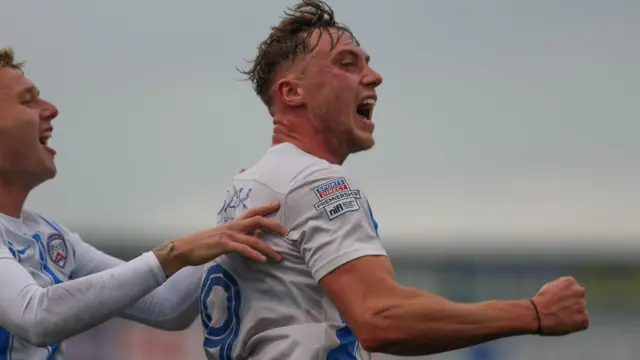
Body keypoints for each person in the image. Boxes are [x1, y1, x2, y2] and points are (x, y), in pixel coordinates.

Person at [201, 1, 590, 359]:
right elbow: (380, 317)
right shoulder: (316, 181)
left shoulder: (247, 188)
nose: (375, 76)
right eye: (348, 63)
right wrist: (534, 314)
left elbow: (164, 307)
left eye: (366, 63)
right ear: (292, 92)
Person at [0, 47, 288, 360]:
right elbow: (37, 317)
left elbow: (167, 306)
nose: (52, 109)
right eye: (28, 101)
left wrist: (234, 226)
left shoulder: (50, 236)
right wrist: (176, 251)